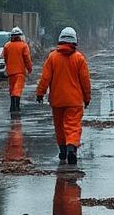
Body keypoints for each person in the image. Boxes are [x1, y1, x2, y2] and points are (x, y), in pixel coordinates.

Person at [36, 26, 92, 167]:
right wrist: (87, 97)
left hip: (57, 100)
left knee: (60, 127)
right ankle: (71, 148)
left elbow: (45, 78)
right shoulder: (79, 58)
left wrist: (40, 92)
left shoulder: (52, 57)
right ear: (74, 41)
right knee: (72, 126)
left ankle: (62, 150)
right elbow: (85, 81)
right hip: (74, 101)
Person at [2, 26, 33, 113]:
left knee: (12, 89)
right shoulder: (23, 46)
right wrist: (29, 69)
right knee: (17, 89)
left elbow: (5, 58)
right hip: (20, 72)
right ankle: (16, 107)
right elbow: (27, 59)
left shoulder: (7, 46)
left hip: (10, 72)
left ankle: (12, 106)